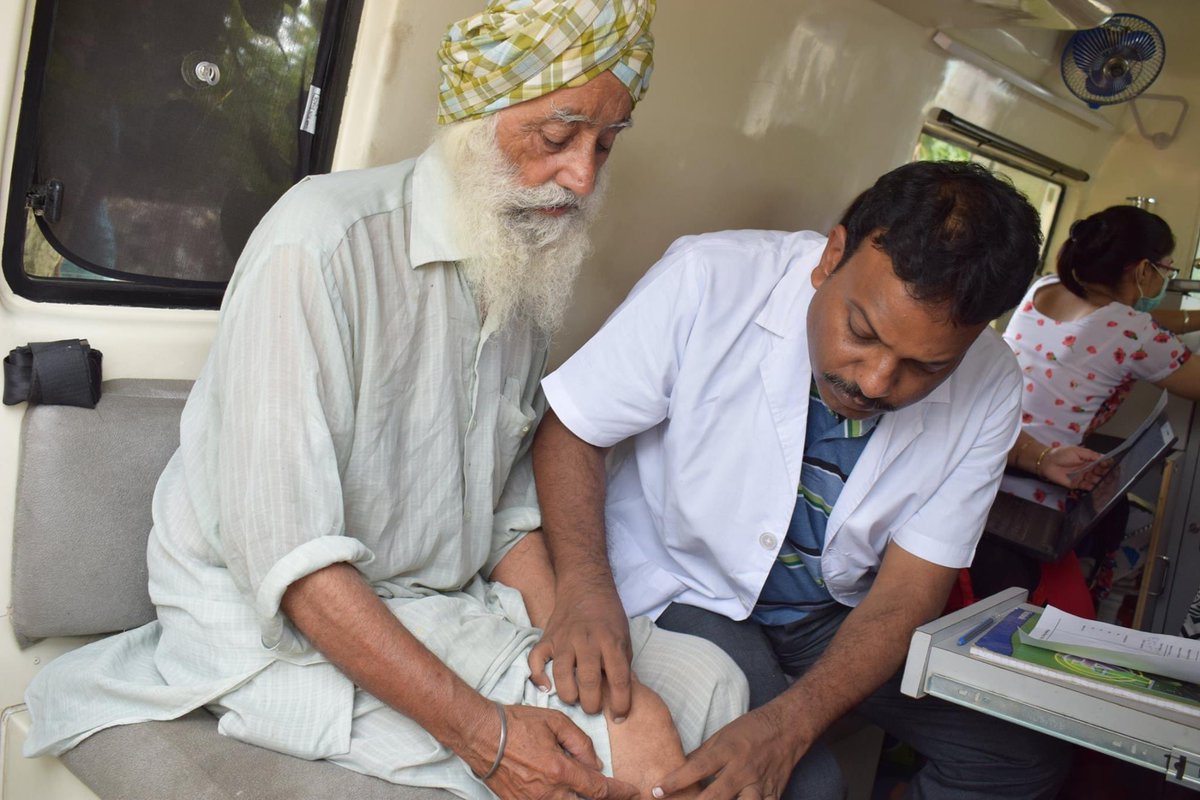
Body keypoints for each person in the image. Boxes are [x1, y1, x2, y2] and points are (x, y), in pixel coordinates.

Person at [22, 3, 750, 798]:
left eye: (605, 146)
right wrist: (490, 735)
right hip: (281, 629)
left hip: (445, 603)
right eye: (557, 136)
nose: (582, 177)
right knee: (621, 757)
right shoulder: (320, 245)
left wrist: (569, 625)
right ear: (479, 113)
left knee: (709, 683)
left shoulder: (523, 262)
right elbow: (294, 569)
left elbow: (502, 506)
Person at [530, 160, 1073, 799]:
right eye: (861, 333)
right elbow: (572, 430)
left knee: (1020, 757)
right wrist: (586, 590)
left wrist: (791, 723)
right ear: (832, 256)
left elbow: (907, 593)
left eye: (924, 368)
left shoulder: (993, 384)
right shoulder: (711, 277)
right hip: (691, 582)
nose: (874, 382)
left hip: (829, 613)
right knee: (811, 789)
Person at [971, 205, 1200, 609]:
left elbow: (1124, 319)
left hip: (986, 463)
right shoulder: (1134, 331)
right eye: (1165, 269)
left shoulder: (1044, 288)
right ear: (1144, 270)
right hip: (1039, 489)